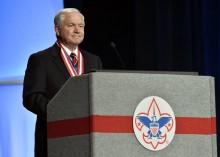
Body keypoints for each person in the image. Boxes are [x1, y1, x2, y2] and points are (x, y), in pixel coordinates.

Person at [23, 8, 102, 157]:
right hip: (55, 137)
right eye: (71, 25)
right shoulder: (40, 60)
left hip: (89, 140)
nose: (77, 30)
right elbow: (32, 98)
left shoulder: (93, 60)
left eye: (81, 26)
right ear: (57, 30)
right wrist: (63, 113)